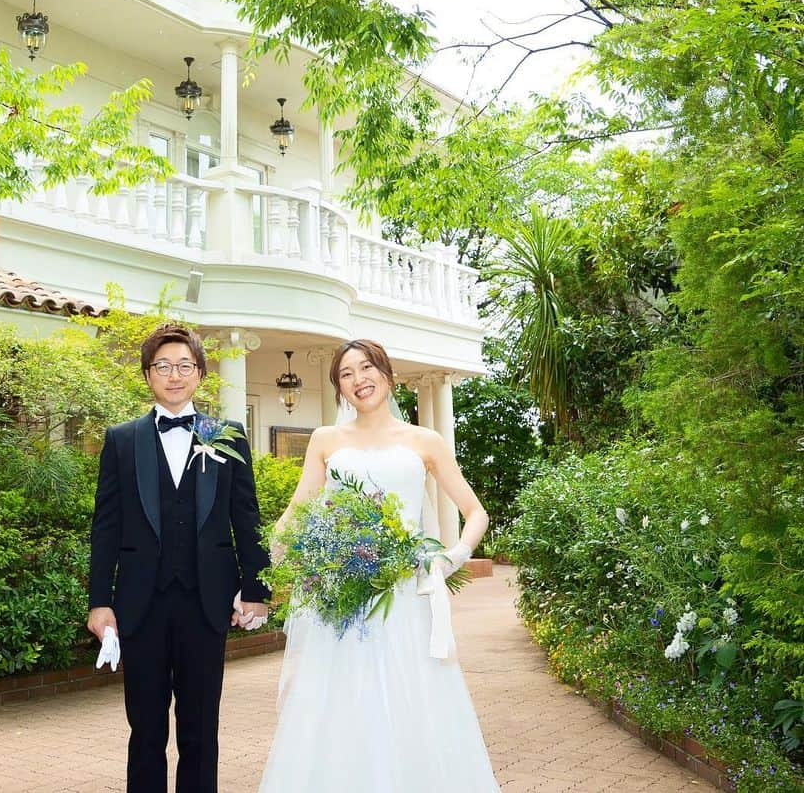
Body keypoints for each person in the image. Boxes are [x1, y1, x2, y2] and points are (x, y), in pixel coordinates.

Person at [258, 338, 500, 792]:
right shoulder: (326, 440)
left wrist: (451, 559)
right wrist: (271, 559)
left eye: (366, 368)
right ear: (339, 390)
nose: (358, 380)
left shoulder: (424, 441)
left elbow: (476, 513)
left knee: (414, 701)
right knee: (342, 704)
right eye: (346, 375)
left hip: (406, 596)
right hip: (342, 600)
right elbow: (298, 510)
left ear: (387, 374)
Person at [87, 323, 270, 793]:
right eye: (163, 366)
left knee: (201, 730)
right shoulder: (122, 440)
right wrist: (99, 601)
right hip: (140, 604)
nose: (174, 375)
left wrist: (257, 589)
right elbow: (106, 525)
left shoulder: (225, 434)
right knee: (145, 729)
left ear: (200, 373)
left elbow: (245, 517)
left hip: (206, 603)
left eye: (184, 366)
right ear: (148, 375)